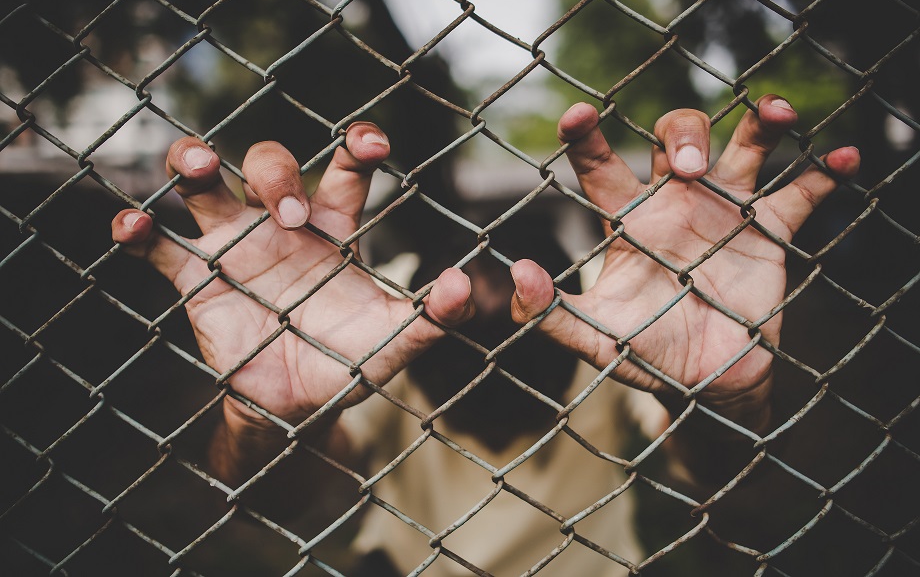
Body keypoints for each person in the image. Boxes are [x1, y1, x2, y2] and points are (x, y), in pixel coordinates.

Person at [111, 95, 860, 576]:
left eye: (520, 311)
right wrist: (269, 418)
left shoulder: (623, 315)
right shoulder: (368, 315)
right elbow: (291, 496)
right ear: (429, 307)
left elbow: (718, 471)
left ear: (563, 303)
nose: (497, 315)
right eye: (471, 312)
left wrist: (713, 394)